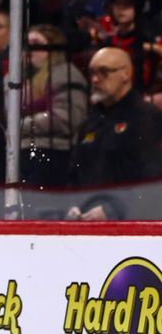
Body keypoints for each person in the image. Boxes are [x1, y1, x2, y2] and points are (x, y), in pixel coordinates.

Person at [0, 24, 87, 187]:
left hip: (48, 151)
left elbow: (64, 117)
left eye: (37, 44)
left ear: (53, 48)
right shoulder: (15, 76)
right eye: (27, 44)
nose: (30, 49)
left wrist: (14, 128)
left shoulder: (64, 73)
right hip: (11, 149)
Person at [67, 47, 162, 219]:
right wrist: (72, 205)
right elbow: (75, 173)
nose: (95, 79)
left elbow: (152, 178)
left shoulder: (147, 118)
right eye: (92, 73)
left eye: (104, 72)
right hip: (85, 219)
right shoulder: (91, 121)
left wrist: (114, 211)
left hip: (129, 225)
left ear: (126, 73)